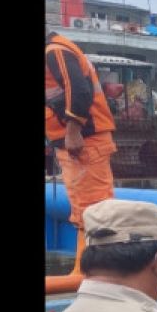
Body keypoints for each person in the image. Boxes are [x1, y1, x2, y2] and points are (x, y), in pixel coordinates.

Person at [46, 30, 119, 274]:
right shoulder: (56, 51)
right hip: (78, 142)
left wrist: (73, 131)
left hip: (85, 141)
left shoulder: (55, 51)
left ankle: (94, 273)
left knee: (94, 211)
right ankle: (86, 270)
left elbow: (79, 90)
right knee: (85, 211)